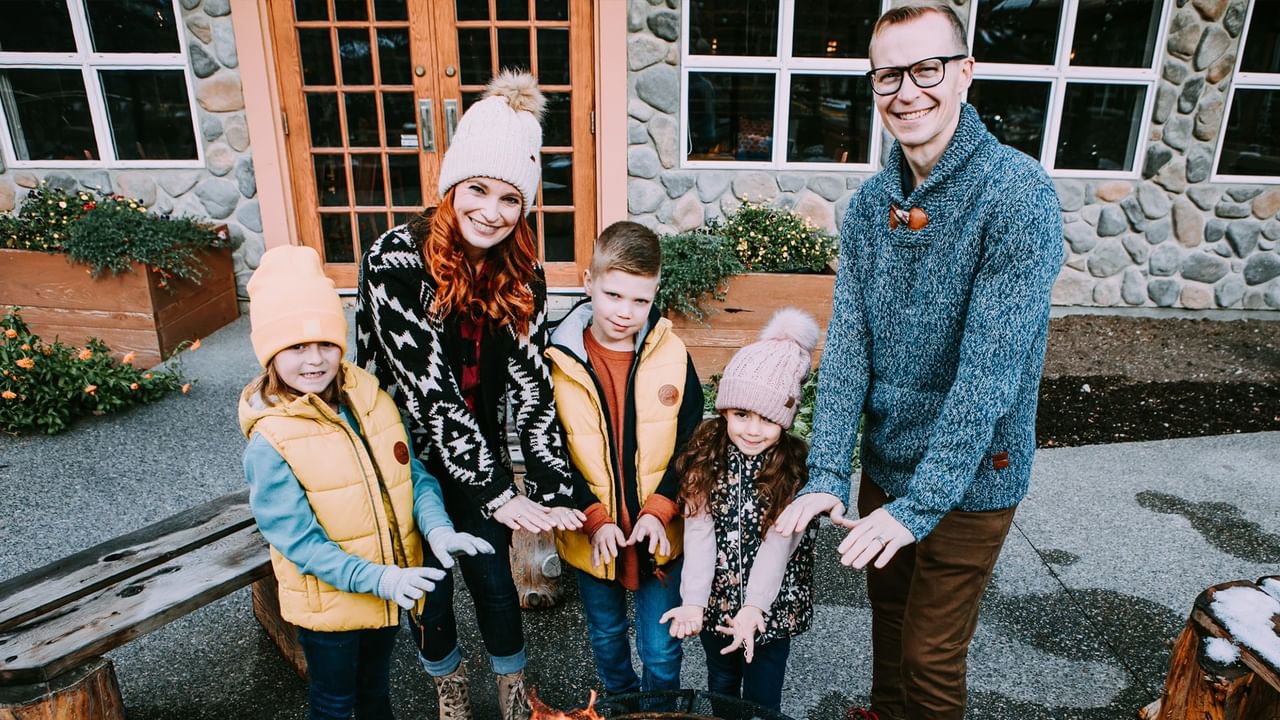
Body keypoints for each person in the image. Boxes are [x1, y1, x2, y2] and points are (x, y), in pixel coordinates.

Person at [771, 4, 1066, 720]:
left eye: (926, 69)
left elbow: (988, 375)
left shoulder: (1017, 195)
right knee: (891, 622)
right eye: (888, 76)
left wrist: (922, 505)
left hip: (975, 474)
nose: (907, 92)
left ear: (965, 73)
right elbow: (850, 347)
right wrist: (828, 471)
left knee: (930, 656)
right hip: (889, 463)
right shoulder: (871, 205)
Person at [355, 70, 584, 720]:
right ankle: (449, 693)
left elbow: (533, 385)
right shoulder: (393, 262)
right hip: (401, 453)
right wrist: (500, 492)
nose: (492, 211)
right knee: (429, 588)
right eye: (478, 189)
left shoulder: (524, 273)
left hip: (477, 449)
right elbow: (429, 392)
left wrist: (554, 488)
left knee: (493, 580)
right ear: (452, 186)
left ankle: (513, 696)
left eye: (511, 198)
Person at [239, 245, 495, 720]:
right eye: (296, 347)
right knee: (335, 704)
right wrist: (381, 578)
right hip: (332, 607)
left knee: (376, 693)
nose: (315, 360)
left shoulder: (370, 399)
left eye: (326, 343)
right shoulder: (270, 440)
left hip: (388, 593)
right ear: (270, 353)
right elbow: (298, 542)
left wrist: (437, 528)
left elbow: (411, 474)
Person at [544, 221, 704, 696]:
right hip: (593, 533)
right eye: (613, 295)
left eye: (640, 300)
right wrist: (592, 517)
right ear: (588, 282)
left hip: (660, 532)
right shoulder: (555, 359)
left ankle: (658, 708)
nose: (624, 312)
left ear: (655, 294)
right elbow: (550, 450)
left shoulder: (672, 353)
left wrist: (663, 506)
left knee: (661, 649)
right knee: (607, 636)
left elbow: (692, 440)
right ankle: (620, 701)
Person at [660, 309, 822, 713]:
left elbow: (778, 547)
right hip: (716, 601)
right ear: (725, 410)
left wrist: (753, 609)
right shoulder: (706, 458)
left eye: (768, 419)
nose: (752, 429)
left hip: (771, 608)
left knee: (763, 695)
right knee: (722, 687)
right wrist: (694, 600)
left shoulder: (792, 471)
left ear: (786, 419)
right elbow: (699, 533)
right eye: (741, 414)